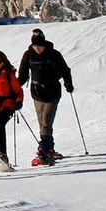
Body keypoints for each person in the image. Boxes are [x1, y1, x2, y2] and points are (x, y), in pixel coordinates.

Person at [18, 27, 74, 165]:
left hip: (52, 92)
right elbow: (23, 74)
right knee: (42, 123)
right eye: (35, 46)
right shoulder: (28, 55)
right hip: (37, 93)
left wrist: (68, 83)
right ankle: (49, 148)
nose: (37, 49)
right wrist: (15, 87)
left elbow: (65, 70)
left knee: (46, 122)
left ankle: (44, 152)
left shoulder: (53, 54)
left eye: (40, 46)